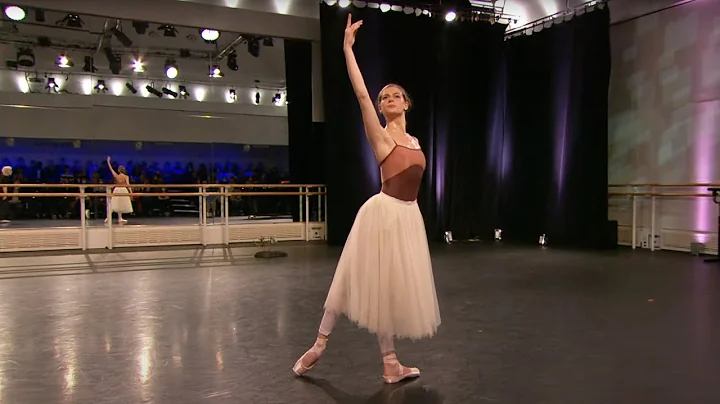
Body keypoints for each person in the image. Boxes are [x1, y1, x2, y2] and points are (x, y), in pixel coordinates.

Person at [292, 13, 441, 384]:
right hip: (382, 213)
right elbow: (360, 91)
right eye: (383, 97)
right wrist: (346, 48)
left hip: (409, 217)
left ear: (406, 103)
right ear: (380, 108)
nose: (388, 98)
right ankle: (320, 344)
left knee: (385, 290)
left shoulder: (416, 142)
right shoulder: (382, 137)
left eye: (395, 95)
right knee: (351, 278)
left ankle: (390, 363)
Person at [104, 156, 133, 224]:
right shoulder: (126, 177)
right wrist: (131, 192)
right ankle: (119, 218)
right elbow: (128, 185)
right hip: (123, 190)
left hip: (117, 190)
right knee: (120, 204)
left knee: (115, 204)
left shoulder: (117, 176)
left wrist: (108, 162)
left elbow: (111, 169)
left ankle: (111, 217)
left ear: (119, 170)